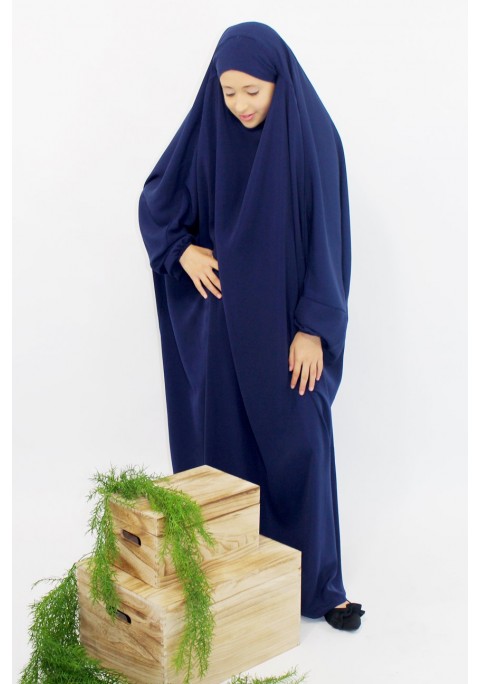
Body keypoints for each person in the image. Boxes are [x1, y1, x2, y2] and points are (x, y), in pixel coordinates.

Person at [138, 21, 365, 630]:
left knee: (302, 445)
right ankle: (226, 583)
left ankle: (319, 588)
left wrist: (313, 326)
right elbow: (158, 199)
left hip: (288, 331)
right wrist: (180, 251)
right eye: (228, 91)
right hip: (222, 329)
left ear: (279, 82)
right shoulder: (209, 130)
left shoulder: (313, 138)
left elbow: (328, 240)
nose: (239, 104)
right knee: (224, 454)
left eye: (252, 91)